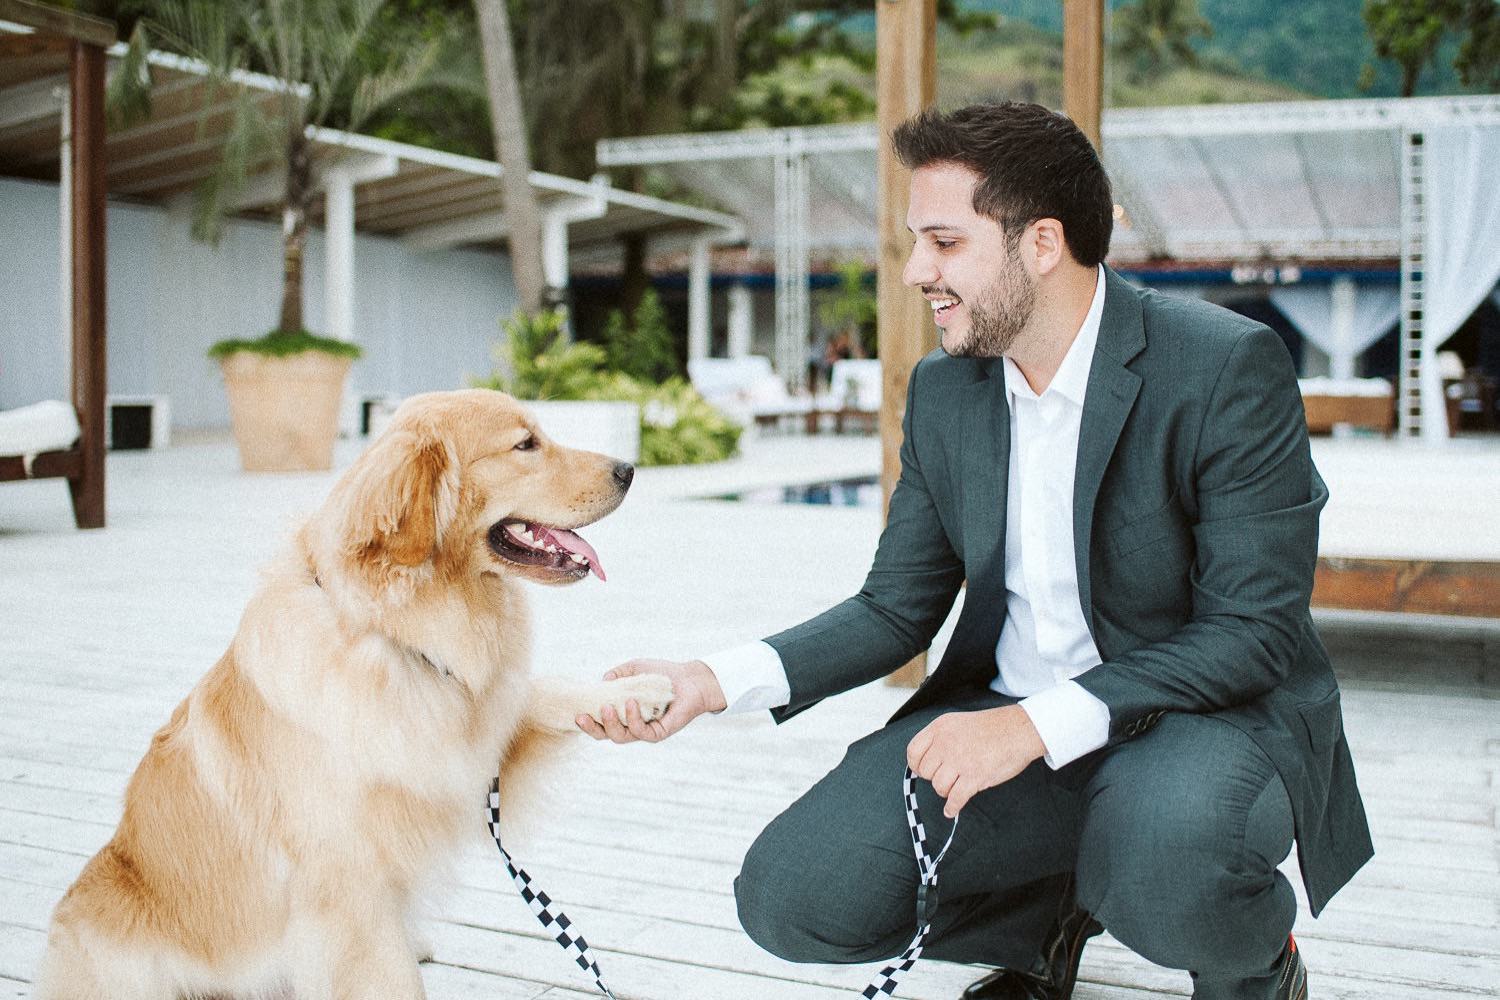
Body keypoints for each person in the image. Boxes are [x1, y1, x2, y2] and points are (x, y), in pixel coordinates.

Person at [577, 102, 1371, 1000]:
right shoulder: (947, 391)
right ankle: (1048, 930)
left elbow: (1252, 634)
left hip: (1204, 726)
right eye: (916, 242)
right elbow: (895, 607)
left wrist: (1033, 725)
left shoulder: (1224, 366)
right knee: (795, 898)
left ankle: (1259, 965)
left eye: (945, 243)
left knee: (1163, 863)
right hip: (1013, 724)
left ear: (1041, 242)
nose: (917, 272)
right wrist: (710, 682)